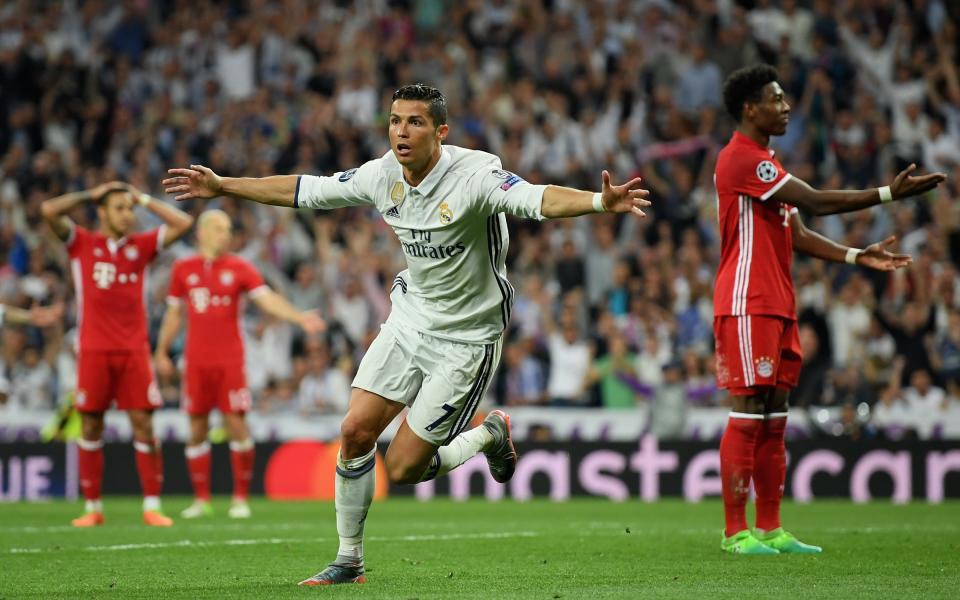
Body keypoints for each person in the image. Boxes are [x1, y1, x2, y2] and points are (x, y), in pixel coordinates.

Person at [163, 83, 650, 585]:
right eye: (395, 120)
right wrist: (225, 186)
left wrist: (597, 200)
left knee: (403, 469)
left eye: (415, 122)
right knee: (354, 432)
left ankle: (488, 435)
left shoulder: (475, 176)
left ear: (441, 132)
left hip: (467, 336)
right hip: (410, 319)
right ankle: (348, 560)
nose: (402, 131)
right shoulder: (381, 175)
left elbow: (534, 199)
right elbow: (305, 191)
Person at [713, 64, 946, 555]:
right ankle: (736, 533)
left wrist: (855, 256)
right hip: (746, 300)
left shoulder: (767, 165)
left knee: (776, 415)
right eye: (776, 99)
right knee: (750, 409)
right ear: (750, 109)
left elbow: (796, 233)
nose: (786, 106)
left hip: (778, 302)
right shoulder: (741, 159)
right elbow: (817, 200)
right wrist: (886, 194)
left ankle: (771, 528)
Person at [154, 209, 326, 519]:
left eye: (228, 228)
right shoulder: (183, 269)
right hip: (196, 363)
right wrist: (161, 351)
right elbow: (173, 315)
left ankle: (240, 498)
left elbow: (266, 299)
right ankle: (201, 499)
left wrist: (298, 317)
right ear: (202, 232)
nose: (226, 234)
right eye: (219, 228)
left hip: (229, 361)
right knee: (196, 428)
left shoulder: (239, 267)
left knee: (236, 424)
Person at [40, 181, 194, 527]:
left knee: (143, 423)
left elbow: (183, 224)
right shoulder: (81, 242)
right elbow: (49, 210)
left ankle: (152, 505)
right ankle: (93, 508)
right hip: (93, 349)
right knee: (91, 424)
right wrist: (89, 193)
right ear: (102, 211)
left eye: (130, 208)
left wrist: (142, 198)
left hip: (133, 350)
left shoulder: (139, 247)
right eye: (120, 208)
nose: (128, 214)